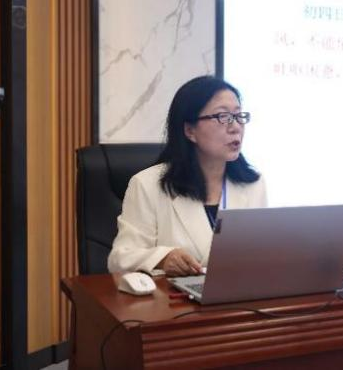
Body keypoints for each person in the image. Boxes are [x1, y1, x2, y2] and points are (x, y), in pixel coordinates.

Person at [107, 76, 267, 276]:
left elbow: (262, 254)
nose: (235, 127)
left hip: (237, 292)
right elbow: (120, 259)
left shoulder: (254, 184)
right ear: (190, 130)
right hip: (174, 295)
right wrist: (162, 258)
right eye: (223, 116)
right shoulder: (147, 185)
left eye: (239, 116)